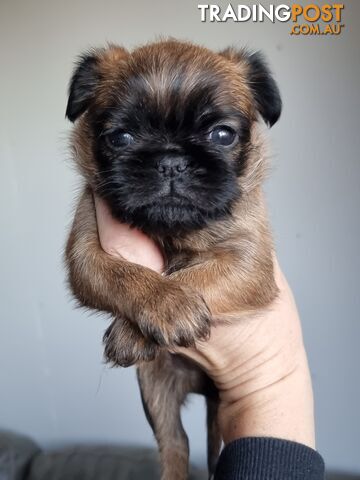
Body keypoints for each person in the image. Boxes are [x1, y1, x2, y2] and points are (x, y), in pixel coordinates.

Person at [95, 196, 325, 479]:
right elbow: (85, 267)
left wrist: (155, 307)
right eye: (123, 145)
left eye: (223, 146)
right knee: (172, 444)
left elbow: (248, 272)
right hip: (164, 364)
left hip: (222, 356)